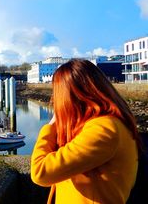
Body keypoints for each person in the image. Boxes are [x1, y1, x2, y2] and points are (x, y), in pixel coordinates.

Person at [31, 59, 141, 204]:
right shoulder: (105, 124)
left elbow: (40, 172)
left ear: (71, 96)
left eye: (57, 94)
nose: (54, 100)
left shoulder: (104, 129)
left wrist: (50, 127)